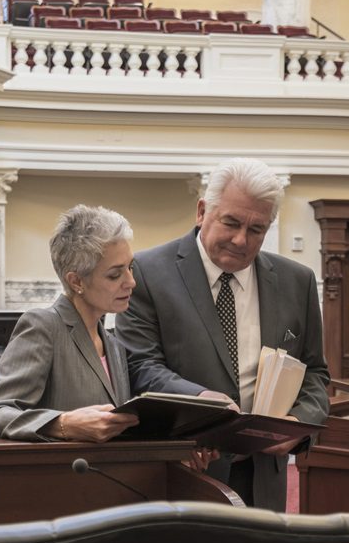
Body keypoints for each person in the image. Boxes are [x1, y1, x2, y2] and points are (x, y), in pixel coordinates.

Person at [115, 158, 330, 510]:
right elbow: (140, 366)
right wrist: (200, 401)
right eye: (230, 222)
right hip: (183, 471)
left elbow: (315, 373)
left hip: (264, 476)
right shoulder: (147, 272)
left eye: (257, 229)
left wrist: (296, 423)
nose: (241, 240)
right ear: (202, 211)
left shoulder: (297, 282)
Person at [0, 205, 141, 442]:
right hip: (60, 476)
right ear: (76, 281)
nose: (131, 282)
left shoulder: (113, 343)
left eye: (130, 268)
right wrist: (63, 423)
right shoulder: (43, 326)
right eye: (115, 275)